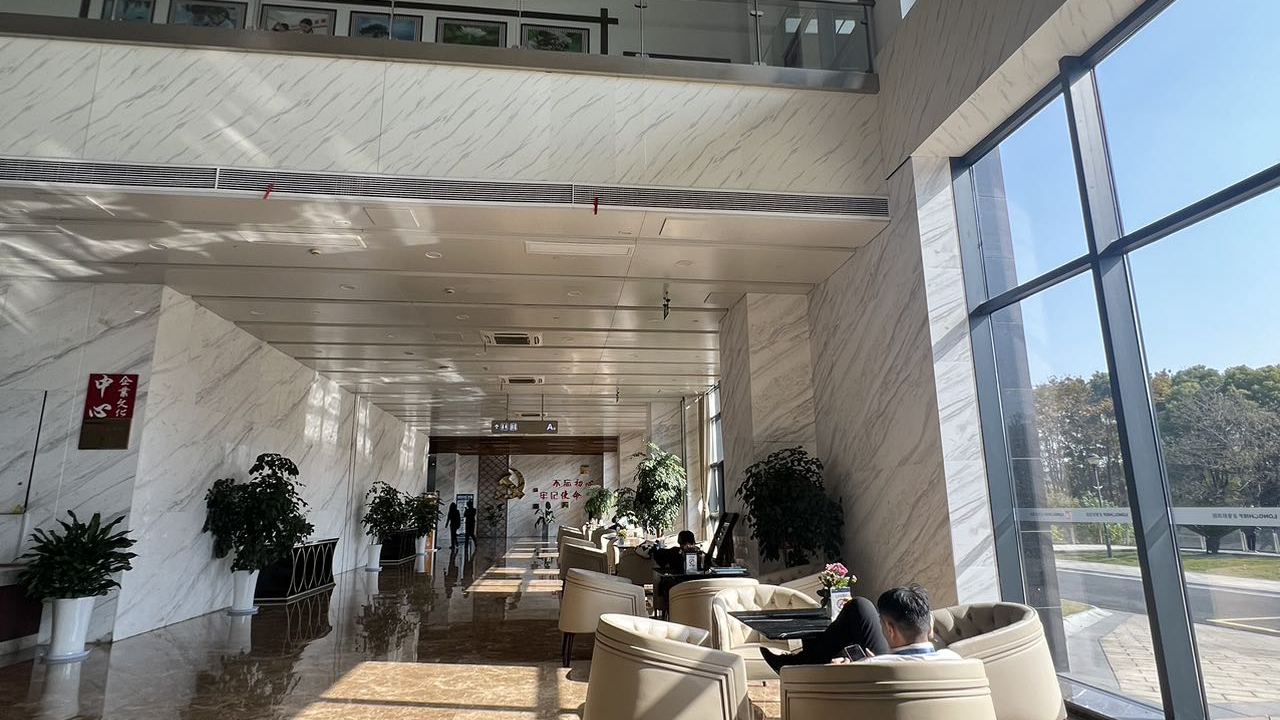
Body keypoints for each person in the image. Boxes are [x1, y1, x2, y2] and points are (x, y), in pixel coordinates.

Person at [762, 584, 960, 674]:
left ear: (890, 630)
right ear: (930, 626)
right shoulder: (956, 661)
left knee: (860, 606)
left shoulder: (866, 669)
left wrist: (835, 672)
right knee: (860, 608)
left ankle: (795, 664)